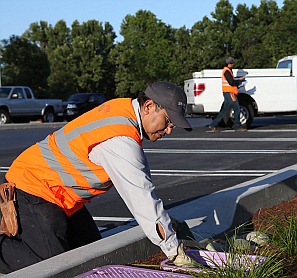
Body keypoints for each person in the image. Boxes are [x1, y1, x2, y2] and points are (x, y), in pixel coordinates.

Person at [0, 81, 197, 273]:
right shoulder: (120, 140)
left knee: (92, 256)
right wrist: (174, 250)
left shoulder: (124, 110)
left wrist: (166, 224)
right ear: (148, 106)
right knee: (55, 268)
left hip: (60, 194)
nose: (169, 129)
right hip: (33, 187)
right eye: (168, 120)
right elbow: (142, 198)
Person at [208, 57, 247, 132]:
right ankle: (238, 126)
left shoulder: (227, 71)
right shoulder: (227, 71)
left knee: (224, 110)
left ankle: (213, 124)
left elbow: (231, 81)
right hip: (230, 93)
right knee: (237, 109)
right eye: (232, 63)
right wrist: (239, 81)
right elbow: (231, 82)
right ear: (229, 64)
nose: (233, 64)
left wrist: (238, 81)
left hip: (228, 93)